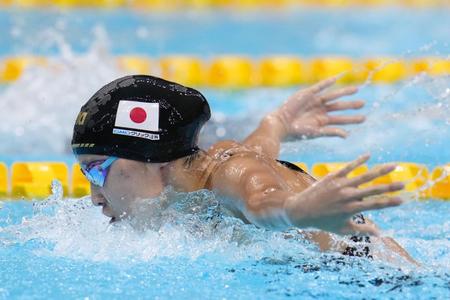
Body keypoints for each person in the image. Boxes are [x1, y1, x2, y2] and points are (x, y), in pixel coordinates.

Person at [72, 74, 417, 264]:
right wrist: (277, 123)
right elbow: (257, 150)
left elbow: (262, 199)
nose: (94, 197)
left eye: (96, 171)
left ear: (155, 160)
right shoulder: (210, 167)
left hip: (378, 277)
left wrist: (296, 211)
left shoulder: (231, 175)